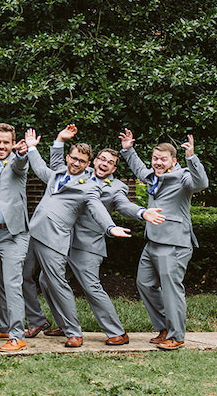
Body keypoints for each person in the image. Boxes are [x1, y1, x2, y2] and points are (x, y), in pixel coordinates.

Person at [21, 128, 130, 348]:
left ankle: (76, 332)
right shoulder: (57, 174)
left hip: (61, 240)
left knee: (70, 283)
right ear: (68, 158)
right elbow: (43, 166)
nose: (76, 163)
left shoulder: (91, 187)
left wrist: (110, 227)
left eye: (82, 160)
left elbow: (98, 207)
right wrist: (35, 146)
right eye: (74, 158)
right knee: (27, 277)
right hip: (35, 232)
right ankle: (40, 320)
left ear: (87, 164)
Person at [119, 129, 208, 350]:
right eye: (155, 159)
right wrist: (128, 149)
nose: (157, 163)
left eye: (162, 159)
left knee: (171, 290)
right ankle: (164, 328)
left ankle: (177, 336)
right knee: (145, 283)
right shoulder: (153, 177)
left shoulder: (184, 177)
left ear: (173, 161)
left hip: (175, 243)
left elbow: (202, 183)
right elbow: (139, 169)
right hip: (152, 241)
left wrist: (192, 158)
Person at [68, 142, 163, 346]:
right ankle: (65, 324)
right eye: (102, 159)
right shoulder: (79, 174)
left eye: (110, 163)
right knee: (46, 281)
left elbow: (124, 204)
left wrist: (141, 212)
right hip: (62, 240)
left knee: (91, 287)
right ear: (94, 161)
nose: (105, 164)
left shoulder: (117, 188)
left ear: (113, 169)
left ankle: (117, 332)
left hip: (88, 245)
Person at [0, 123, 31, 352]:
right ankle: (2, 327)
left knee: (12, 284)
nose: (2, 146)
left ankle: (17, 335)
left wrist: (21, 154)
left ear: (13, 144)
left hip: (14, 234)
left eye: (6, 143)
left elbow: (20, 165)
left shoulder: (17, 163)